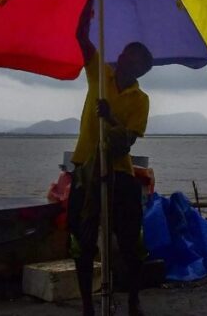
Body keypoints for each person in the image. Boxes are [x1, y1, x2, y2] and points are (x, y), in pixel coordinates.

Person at [69, 37, 152, 316]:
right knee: (81, 240)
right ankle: (87, 306)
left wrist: (110, 117)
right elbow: (81, 36)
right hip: (84, 167)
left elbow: (126, 141)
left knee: (131, 242)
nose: (125, 60)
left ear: (141, 70)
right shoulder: (99, 72)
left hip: (119, 172)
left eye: (134, 59)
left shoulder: (141, 100)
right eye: (125, 54)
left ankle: (133, 299)